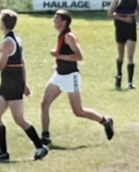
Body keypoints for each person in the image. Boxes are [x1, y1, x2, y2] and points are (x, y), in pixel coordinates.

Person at [0, 9, 48, 162]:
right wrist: (25, 83)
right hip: (8, 82)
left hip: (12, 83)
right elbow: (23, 62)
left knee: (20, 119)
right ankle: (3, 152)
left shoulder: (8, 42)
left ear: (2, 23)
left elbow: (1, 65)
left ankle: (40, 147)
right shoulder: (16, 39)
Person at [39, 9, 114, 147]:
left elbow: (79, 56)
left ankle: (105, 121)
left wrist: (58, 56)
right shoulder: (61, 34)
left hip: (70, 77)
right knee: (44, 104)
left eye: (56, 18)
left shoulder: (69, 36)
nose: (54, 20)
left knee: (78, 111)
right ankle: (45, 137)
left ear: (64, 21)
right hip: (59, 75)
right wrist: (58, 64)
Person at [108, 0, 139, 90]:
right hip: (120, 27)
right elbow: (110, 13)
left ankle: (130, 82)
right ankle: (118, 76)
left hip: (131, 28)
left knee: (131, 56)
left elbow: (138, 10)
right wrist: (124, 19)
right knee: (120, 55)